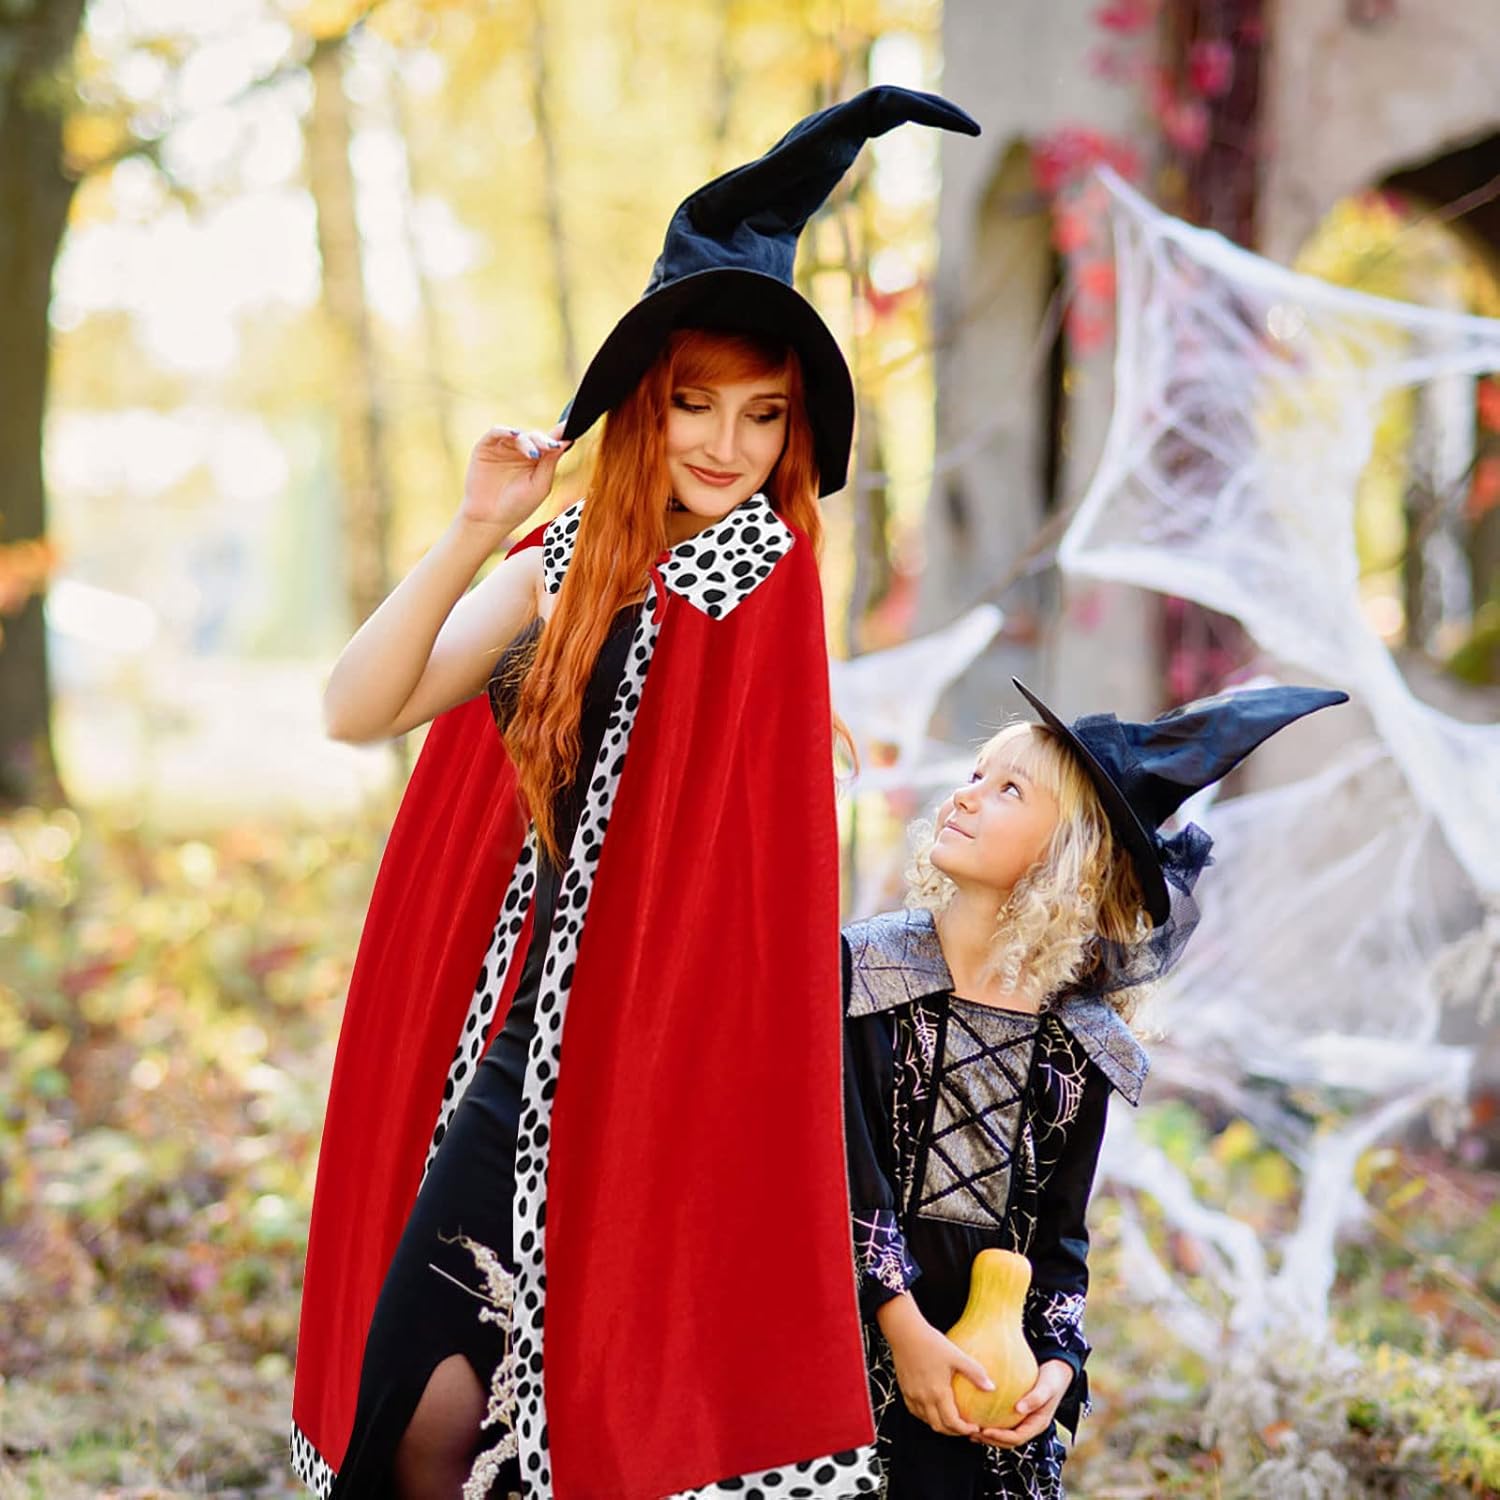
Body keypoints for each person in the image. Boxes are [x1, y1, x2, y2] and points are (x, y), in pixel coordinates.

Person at [289, 88, 981, 1500]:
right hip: (517, 1056)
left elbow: (762, 901)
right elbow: (356, 709)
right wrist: (477, 529)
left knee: (579, 1427)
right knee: (419, 1412)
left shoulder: (763, 588)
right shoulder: (559, 570)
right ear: (640, 406)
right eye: (693, 405)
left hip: (664, 1068)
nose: (728, 445)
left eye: (764, 415)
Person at [841, 677, 1348, 1499]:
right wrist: (901, 1328)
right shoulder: (861, 979)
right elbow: (834, 1169)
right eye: (975, 775)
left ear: (1068, 858)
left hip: (984, 1403)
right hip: (846, 1370)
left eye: (1008, 790)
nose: (965, 797)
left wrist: (1054, 1366)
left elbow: (1060, 1243)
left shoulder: (1079, 1048)